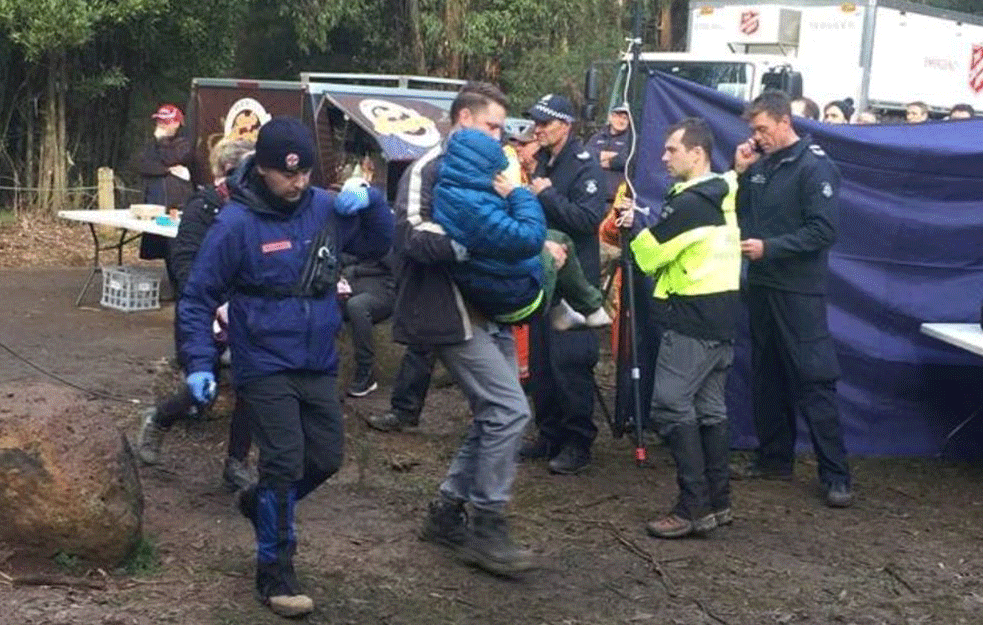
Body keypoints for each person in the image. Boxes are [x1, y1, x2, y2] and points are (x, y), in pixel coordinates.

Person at [177, 117, 393, 617]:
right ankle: (275, 574)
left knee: (327, 458)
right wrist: (198, 361)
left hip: (317, 356)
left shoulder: (323, 207)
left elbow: (378, 245)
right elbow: (197, 297)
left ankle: (261, 504)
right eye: (287, 175)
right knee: (283, 463)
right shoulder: (236, 223)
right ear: (263, 171)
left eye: (305, 174)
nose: (298, 184)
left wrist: (374, 201)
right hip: (264, 359)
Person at [392, 82, 534, 577]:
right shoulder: (426, 168)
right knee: (509, 409)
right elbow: (410, 235)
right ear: (464, 120)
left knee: (493, 414)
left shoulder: (491, 171)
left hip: (487, 308)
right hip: (444, 311)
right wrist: (473, 243)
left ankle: (448, 512)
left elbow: (508, 227)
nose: (501, 137)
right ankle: (486, 526)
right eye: (493, 126)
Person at [732, 90, 853, 509]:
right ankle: (774, 459)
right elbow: (743, 215)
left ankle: (836, 474)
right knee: (766, 374)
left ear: (785, 122)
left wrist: (772, 248)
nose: (758, 136)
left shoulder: (814, 166)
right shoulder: (762, 166)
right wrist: (743, 173)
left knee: (813, 379)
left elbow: (823, 231)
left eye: (763, 128)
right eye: (753, 130)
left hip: (798, 290)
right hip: (762, 288)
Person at [627, 118, 740, 538]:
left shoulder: (691, 205)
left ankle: (692, 507)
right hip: (722, 320)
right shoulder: (725, 193)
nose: (663, 156)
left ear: (697, 154)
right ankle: (718, 501)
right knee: (710, 410)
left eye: (672, 149)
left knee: (672, 406)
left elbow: (648, 256)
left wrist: (633, 228)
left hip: (692, 321)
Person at [137, 138, 256, 492]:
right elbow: (184, 261)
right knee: (202, 387)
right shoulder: (203, 206)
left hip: (244, 312)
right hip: (203, 309)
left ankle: (237, 462)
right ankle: (159, 419)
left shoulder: (259, 209)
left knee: (252, 379)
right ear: (229, 172)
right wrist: (214, 304)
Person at [432, 127, 611, 331]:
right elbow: (530, 237)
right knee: (559, 242)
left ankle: (563, 309)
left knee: (550, 242)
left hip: (492, 284)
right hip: (516, 296)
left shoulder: (447, 190)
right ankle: (590, 307)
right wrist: (519, 195)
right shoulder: (472, 205)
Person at [520, 94, 607, 475]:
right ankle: (549, 432)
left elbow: (588, 219)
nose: (538, 128)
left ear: (565, 124)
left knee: (569, 361)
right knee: (541, 362)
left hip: (574, 282)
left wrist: (547, 194)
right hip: (545, 278)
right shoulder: (543, 161)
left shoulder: (585, 166)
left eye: (545, 122)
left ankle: (577, 441)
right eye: (536, 122)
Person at [131, 104, 194, 288]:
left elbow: (173, 157)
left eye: (165, 121)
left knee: (178, 248)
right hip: (156, 204)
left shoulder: (185, 142)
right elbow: (140, 164)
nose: (161, 125)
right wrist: (167, 171)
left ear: (176, 123)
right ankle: (175, 287)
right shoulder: (152, 143)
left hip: (177, 206)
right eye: (159, 120)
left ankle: (181, 289)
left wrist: (161, 144)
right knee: (164, 248)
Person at [338, 243, 396, 397]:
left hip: (382, 288)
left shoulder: (379, 227)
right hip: (347, 283)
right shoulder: (340, 226)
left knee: (357, 306)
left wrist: (357, 270)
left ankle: (366, 370)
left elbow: (395, 265)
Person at [586, 105, 633, 201]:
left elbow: (625, 161)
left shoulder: (632, 140)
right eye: (617, 116)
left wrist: (599, 159)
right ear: (610, 117)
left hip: (618, 199)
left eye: (625, 118)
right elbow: (586, 157)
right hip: (593, 195)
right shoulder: (596, 137)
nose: (621, 121)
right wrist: (611, 156)